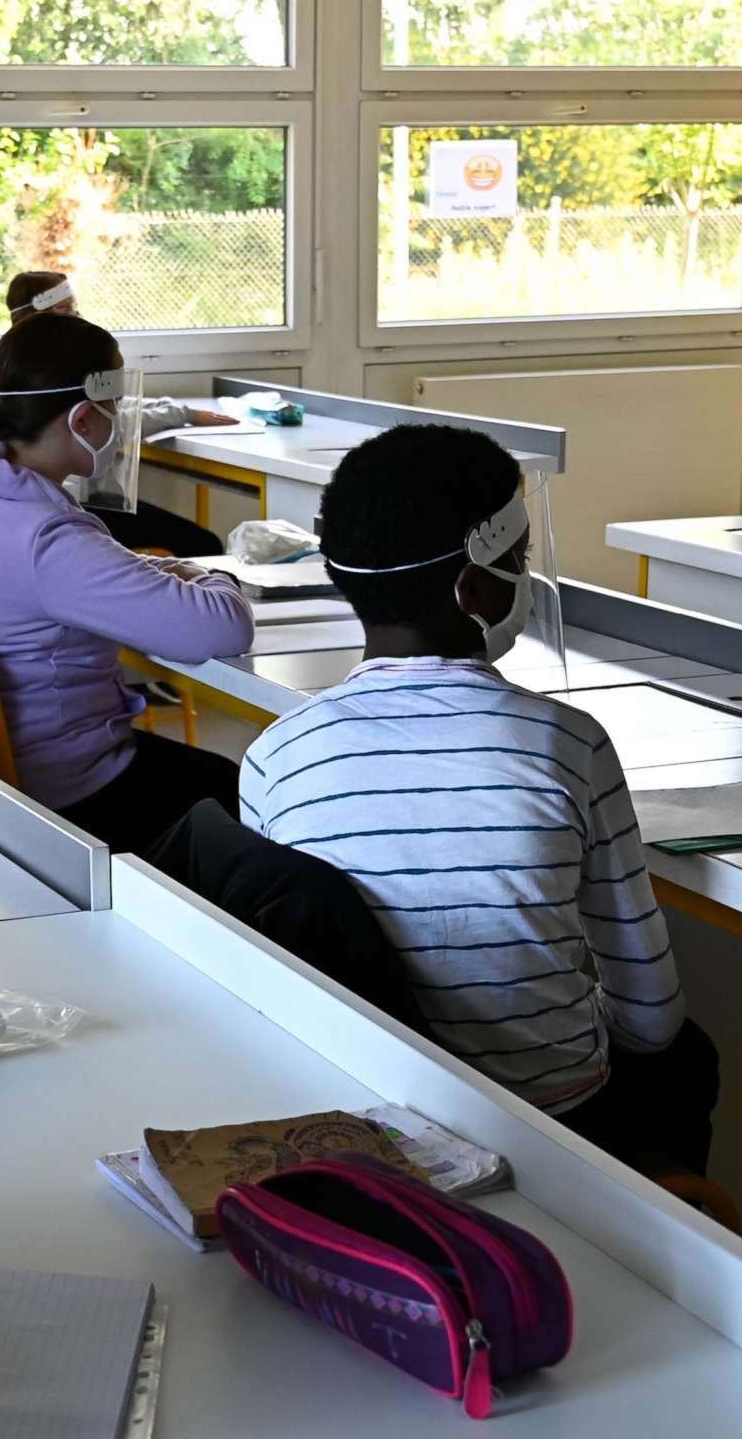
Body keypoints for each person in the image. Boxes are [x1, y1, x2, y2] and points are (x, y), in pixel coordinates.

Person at [237, 424, 715, 1176]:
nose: (526, 579)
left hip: (364, 1120)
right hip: (554, 1122)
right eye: (518, 561)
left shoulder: (274, 757)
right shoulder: (570, 744)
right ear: (476, 588)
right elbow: (650, 1018)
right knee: (690, 1057)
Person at [0, 312, 254, 856]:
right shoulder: (45, 534)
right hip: (63, 791)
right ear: (84, 420)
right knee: (238, 790)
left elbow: (82, 577)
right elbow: (223, 630)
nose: (119, 423)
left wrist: (148, 573)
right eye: (115, 410)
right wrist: (213, 574)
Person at [5, 270, 233, 559]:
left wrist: (175, 409)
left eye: (76, 308)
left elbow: (112, 406)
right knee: (201, 544)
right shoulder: (46, 372)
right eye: (66, 310)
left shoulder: (16, 364)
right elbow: (109, 417)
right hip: (76, 499)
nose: (76, 318)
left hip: (69, 497)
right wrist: (179, 413)